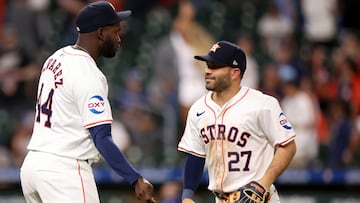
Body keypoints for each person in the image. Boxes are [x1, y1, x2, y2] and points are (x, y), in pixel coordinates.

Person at [20, 1, 156, 203]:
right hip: (64, 171)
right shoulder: (89, 74)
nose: (119, 38)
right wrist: (135, 179)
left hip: (33, 167)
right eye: (115, 31)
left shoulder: (55, 58)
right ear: (100, 33)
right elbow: (101, 138)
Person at [177, 40, 297, 203]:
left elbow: (288, 146)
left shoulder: (262, 104)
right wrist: (187, 196)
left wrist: (264, 183)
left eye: (215, 66)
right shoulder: (198, 109)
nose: (207, 71)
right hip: (221, 199)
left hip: (258, 199)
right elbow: (195, 155)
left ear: (234, 73)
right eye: (207, 65)